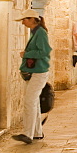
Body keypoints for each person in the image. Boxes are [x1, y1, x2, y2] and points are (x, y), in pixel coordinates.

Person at [11, 9, 51, 144]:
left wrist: (26, 54)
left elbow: (44, 52)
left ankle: (27, 134)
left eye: (24, 19)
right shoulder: (36, 32)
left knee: (30, 102)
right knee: (33, 102)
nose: (23, 22)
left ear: (32, 19)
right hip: (35, 72)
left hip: (39, 72)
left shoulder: (40, 33)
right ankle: (36, 132)